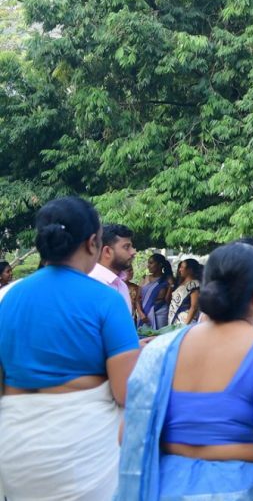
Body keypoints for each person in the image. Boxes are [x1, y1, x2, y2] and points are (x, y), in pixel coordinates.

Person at [118, 243, 253, 500]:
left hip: (164, 489)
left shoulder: (160, 348)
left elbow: (128, 433)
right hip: (239, 489)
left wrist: (187, 448)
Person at [0, 197, 140, 500]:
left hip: (16, 448)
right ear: (92, 243)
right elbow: (125, 391)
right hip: (83, 450)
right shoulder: (105, 299)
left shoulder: (8, 297)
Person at [92, 222, 136, 316]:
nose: (133, 252)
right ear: (107, 251)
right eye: (126, 247)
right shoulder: (92, 284)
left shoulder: (122, 285)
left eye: (131, 246)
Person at [141, 254, 174, 331]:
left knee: (160, 335)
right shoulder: (144, 278)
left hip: (161, 311)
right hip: (144, 312)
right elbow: (137, 299)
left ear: (160, 265)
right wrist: (141, 313)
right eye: (148, 263)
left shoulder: (166, 279)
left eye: (151, 263)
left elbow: (168, 300)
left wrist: (171, 286)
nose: (148, 266)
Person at [170, 258, 203, 326]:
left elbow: (194, 307)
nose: (180, 269)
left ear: (190, 270)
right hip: (176, 320)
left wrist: (185, 325)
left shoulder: (194, 284)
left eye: (182, 267)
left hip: (185, 321)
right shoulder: (182, 283)